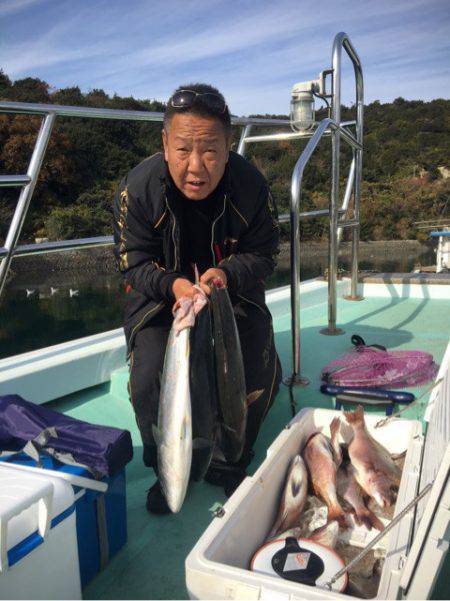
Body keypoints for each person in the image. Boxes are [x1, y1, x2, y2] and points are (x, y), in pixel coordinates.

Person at [113, 83, 282, 513]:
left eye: (210, 151)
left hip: (228, 289)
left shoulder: (251, 187)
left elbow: (264, 255)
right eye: (184, 149)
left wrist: (224, 275)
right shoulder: (138, 189)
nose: (196, 167)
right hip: (161, 295)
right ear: (165, 143)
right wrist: (174, 286)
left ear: (228, 147)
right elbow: (133, 264)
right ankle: (164, 464)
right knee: (149, 369)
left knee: (255, 355)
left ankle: (230, 460)